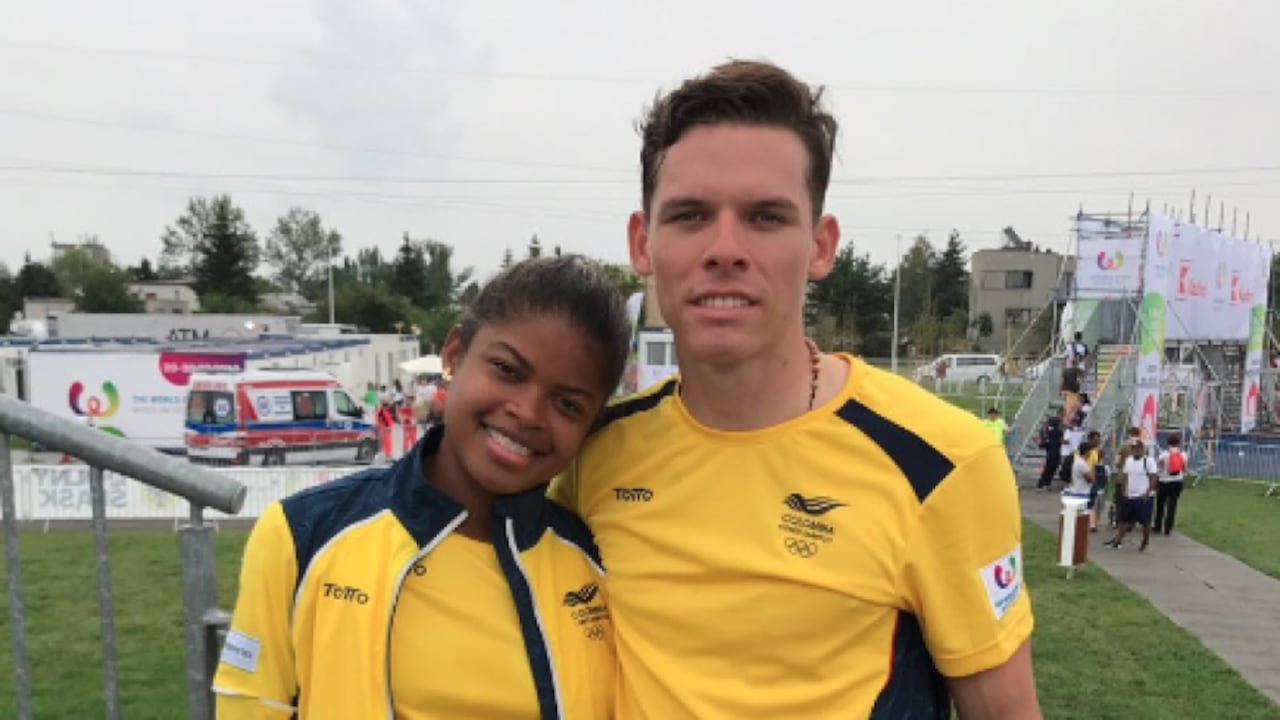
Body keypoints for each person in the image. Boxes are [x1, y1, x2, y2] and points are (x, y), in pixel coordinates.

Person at [551, 60, 1039, 719]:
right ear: (643, 244)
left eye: (765, 217)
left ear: (820, 246)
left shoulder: (943, 462)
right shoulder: (594, 455)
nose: (725, 249)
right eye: (691, 216)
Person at [213, 256, 631, 719]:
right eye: (507, 370)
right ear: (454, 355)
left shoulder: (604, 567)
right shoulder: (301, 535)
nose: (528, 412)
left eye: (567, 404)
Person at [1105, 440, 1159, 551]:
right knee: (1124, 519)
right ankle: (1118, 540)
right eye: (1133, 448)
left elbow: (1154, 477)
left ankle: (1145, 540)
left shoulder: (1148, 461)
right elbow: (1125, 476)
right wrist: (1124, 491)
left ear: (1142, 449)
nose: (1135, 450)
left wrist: (1148, 492)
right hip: (1129, 495)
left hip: (1142, 496)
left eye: (1137, 448)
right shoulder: (1129, 460)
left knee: (1145, 521)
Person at [1154, 433, 1187, 535]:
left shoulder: (1164, 454)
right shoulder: (1183, 455)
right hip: (1177, 482)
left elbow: (1157, 464)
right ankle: (1168, 528)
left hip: (1164, 481)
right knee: (1172, 505)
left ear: (1168, 443)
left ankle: (1158, 526)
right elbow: (1185, 469)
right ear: (1179, 443)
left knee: (1160, 504)